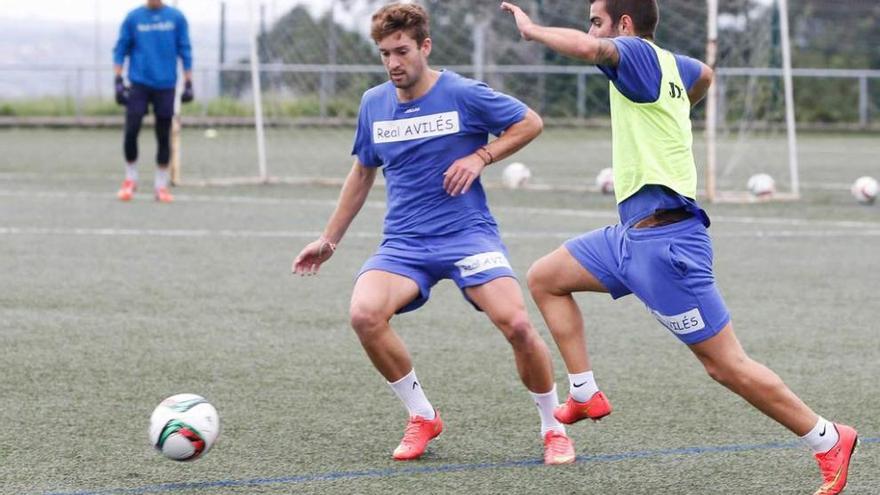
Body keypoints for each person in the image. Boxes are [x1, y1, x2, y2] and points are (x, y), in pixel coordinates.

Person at [501, 1, 858, 493]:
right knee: (545, 277)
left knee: (725, 364)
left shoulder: (638, 55)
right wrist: (676, 107)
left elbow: (587, 49)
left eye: (596, 20)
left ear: (625, 27)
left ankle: (827, 437)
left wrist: (533, 29)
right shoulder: (671, 65)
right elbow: (705, 74)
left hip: (669, 245)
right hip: (628, 238)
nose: (591, 30)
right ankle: (584, 391)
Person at [292, 3, 576, 465]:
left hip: (468, 236)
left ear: (425, 46)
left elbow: (530, 122)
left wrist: (480, 157)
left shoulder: (463, 93)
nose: (393, 63)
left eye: (401, 51)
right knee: (364, 315)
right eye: (384, 53)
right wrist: (329, 240)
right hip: (405, 244)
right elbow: (362, 172)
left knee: (519, 325)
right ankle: (422, 416)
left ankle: (553, 427)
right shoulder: (374, 103)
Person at [113, 0, 193, 203]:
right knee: (131, 130)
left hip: (165, 84)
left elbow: (185, 50)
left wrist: (188, 81)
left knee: (163, 134)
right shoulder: (133, 17)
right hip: (139, 83)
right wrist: (118, 80)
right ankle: (130, 179)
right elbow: (121, 48)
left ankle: (160, 185)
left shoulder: (176, 18)